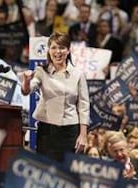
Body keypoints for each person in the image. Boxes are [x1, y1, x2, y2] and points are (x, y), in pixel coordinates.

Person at [21, 32, 90, 162]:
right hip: (47, 131)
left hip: (70, 131)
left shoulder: (78, 74)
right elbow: (27, 90)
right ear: (48, 50)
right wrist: (26, 80)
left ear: (68, 50)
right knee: (46, 171)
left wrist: (83, 135)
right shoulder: (41, 71)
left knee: (67, 173)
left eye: (62, 47)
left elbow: (84, 106)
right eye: (54, 47)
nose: (58, 52)